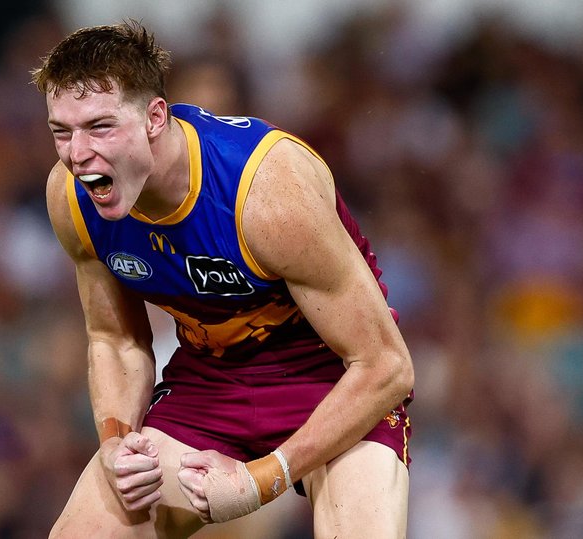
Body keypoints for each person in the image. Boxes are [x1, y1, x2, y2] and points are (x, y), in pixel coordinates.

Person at [32, 20, 415, 538]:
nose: (78, 155)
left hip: (332, 378)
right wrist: (115, 440)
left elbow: (386, 366)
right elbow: (116, 339)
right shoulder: (71, 199)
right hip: (211, 382)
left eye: (100, 127)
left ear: (154, 117)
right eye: (62, 131)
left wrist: (263, 478)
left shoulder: (266, 192)